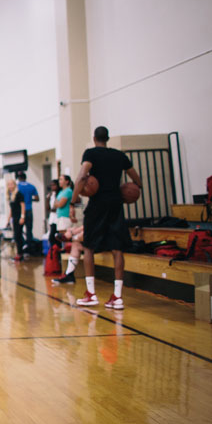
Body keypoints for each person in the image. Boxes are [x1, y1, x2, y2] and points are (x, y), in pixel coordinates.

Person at [72, 126, 142, 310]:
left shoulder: (91, 154)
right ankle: (117, 297)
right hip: (116, 204)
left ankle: (91, 294)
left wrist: (73, 202)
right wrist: (127, 193)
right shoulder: (120, 156)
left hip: (97, 204)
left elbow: (81, 177)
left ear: (94, 138)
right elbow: (138, 181)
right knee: (117, 249)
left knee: (88, 246)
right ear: (108, 138)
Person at [5, 178, 26, 261]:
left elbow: (22, 206)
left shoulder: (19, 194)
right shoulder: (11, 195)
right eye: (9, 185)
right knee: (16, 235)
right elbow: (11, 209)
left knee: (18, 235)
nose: (10, 186)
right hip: (14, 217)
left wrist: (22, 216)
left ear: (14, 185)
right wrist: (8, 219)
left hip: (19, 217)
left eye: (11, 184)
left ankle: (20, 253)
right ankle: (19, 252)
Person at [16, 171, 39, 245]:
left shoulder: (16, 187)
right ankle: (29, 247)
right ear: (25, 178)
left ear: (18, 178)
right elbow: (37, 198)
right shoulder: (31, 186)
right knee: (29, 230)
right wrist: (29, 199)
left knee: (18, 230)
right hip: (29, 210)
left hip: (19, 211)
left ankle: (22, 246)